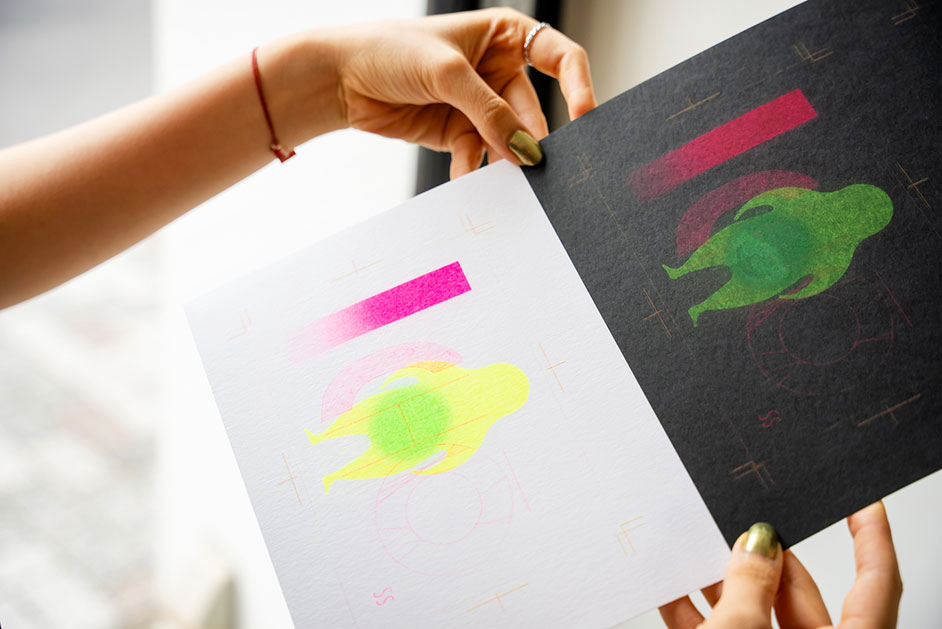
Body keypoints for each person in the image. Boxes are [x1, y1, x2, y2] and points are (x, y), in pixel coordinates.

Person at [0, 8, 901, 628]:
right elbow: (798, 257)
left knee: (355, 436)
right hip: (426, 414)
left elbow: (423, 400)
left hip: (418, 411)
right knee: (358, 438)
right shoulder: (468, 398)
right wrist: (315, 84)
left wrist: (322, 81)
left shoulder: (460, 391)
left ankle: (333, 450)